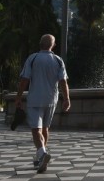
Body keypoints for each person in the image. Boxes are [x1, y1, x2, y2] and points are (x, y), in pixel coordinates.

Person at [15, 34, 70, 174]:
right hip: (51, 100)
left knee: (36, 130)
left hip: (35, 99)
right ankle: (41, 158)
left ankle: (42, 154)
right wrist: (67, 99)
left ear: (40, 44)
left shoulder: (33, 58)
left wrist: (18, 97)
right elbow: (63, 81)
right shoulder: (58, 60)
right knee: (45, 129)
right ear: (53, 45)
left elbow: (25, 79)